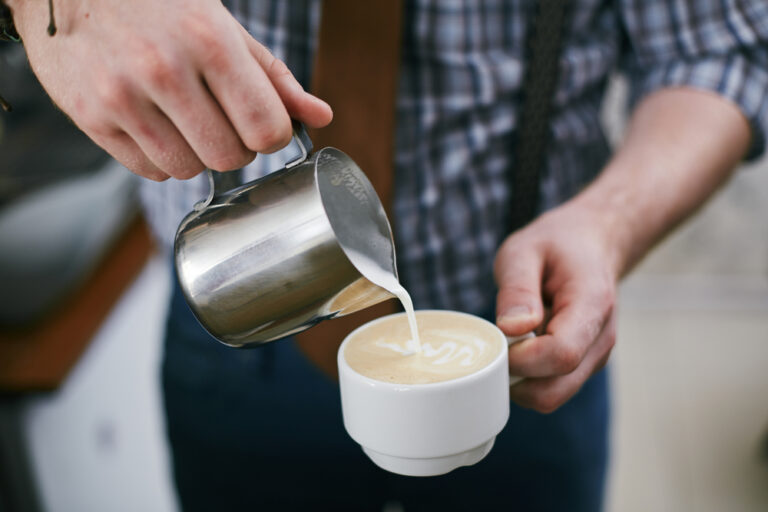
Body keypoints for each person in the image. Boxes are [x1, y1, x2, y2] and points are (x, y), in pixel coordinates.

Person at [4, 0, 767, 510]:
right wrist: (63, 10)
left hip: (523, 350)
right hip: (245, 332)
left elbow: (717, 52)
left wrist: (607, 224)